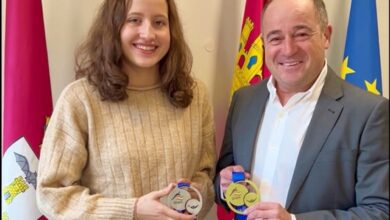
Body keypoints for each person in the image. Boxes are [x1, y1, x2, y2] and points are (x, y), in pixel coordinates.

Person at [36, 0, 217, 219]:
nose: (148, 34)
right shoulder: (80, 100)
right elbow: (52, 194)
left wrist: (194, 193)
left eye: (159, 22)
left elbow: (206, 175)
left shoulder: (195, 96)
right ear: (113, 26)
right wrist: (132, 211)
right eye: (134, 20)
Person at [214, 0, 389, 219]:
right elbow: (221, 181)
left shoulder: (369, 113)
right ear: (263, 43)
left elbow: (379, 211)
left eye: (301, 34)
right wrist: (224, 184)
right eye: (276, 38)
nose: (288, 49)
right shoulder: (243, 101)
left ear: (326, 35)